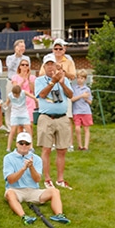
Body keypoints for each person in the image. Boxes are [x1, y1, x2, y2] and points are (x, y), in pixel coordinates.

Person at [3, 132, 71, 225]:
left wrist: (31, 167)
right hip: (16, 190)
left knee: (55, 191)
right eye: (21, 143)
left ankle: (59, 215)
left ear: (30, 145)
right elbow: (10, 180)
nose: (24, 145)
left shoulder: (37, 159)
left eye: (27, 143)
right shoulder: (8, 158)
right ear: (16, 144)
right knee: (9, 194)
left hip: (33, 190)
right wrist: (23, 169)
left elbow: (37, 179)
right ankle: (24, 216)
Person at [35, 54, 73, 190]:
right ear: (44, 67)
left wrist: (61, 82)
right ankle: (47, 179)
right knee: (46, 149)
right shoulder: (39, 80)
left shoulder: (64, 79)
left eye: (52, 64)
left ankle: (60, 179)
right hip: (46, 118)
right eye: (48, 64)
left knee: (62, 150)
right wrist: (53, 82)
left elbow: (70, 95)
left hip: (62, 118)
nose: (50, 67)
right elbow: (42, 95)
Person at [39, 39, 76, 152]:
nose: (58, 51)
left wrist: (62, 70)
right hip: (51, 91)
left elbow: (73, 76)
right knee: (52, 117)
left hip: (64, 90)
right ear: (53, 50)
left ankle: (69, 143)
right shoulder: (48, 61)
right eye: (56, 48)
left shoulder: (68, 61)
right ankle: (54, 143)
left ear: (64, 49)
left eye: (60, 48)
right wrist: (52, 70)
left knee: (67, 117)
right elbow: (41, 74)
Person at [6, 39, 31, 129]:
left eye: (23, 46)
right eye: (21, 46)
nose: (22, 48)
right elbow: (10, 67)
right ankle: (10, 125)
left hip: (23, 82)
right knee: (10, 103)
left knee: (22, 103)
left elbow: (28, 70)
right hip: (11, 82)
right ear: (15, 47)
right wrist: (17, 56)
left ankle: (23, 124)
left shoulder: (26, 58)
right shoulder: (10, 57)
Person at [4, 85, 35, 152]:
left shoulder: (24, 93)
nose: (16, 96)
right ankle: (8, 147)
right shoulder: (10, 96)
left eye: (17, 95)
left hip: (24, 113)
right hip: (15, 114)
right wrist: (2, 104)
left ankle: (31, 146)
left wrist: (37, 100)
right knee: (12, 130)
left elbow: (32, 97)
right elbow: (6, 104)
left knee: (28, 129)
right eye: (14, 94)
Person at [71, 69, 93, 151]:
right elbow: (72, 99)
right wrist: (81, 96)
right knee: (77, 128)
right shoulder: (73, 88)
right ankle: (80, 145)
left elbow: (90, 102)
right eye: (78, 78)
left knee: (86, 129)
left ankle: (86, 146)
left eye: (82, 78)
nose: (80, 80)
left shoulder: (87, 89)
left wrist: (86, 98)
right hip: (76, 111)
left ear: (85, 79)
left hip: (86, 111)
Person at [12, 57, 36, 124]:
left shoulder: (32, 77)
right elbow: (15, 89)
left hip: (30, 100)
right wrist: (23, 81)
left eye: (27, 65)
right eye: (23, 64)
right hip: (19, 100)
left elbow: (33, 90)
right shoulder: (15, 77)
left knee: (30, 123)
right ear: (19, 67)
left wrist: (28, 79)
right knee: (20, 124)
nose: (25, 66)